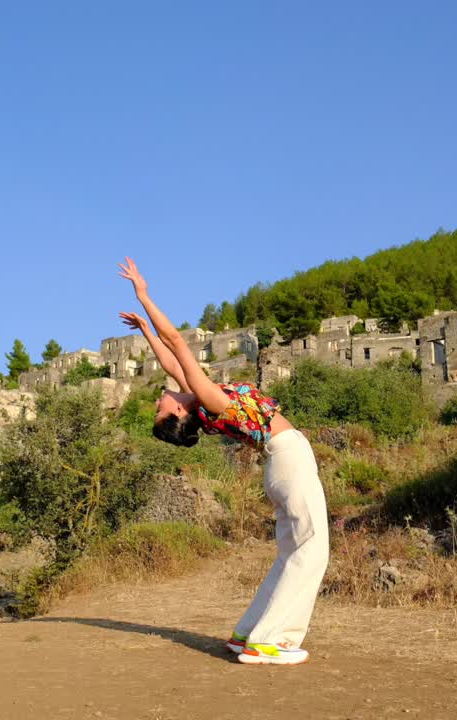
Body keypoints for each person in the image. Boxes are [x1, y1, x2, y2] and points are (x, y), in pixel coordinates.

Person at [117, 257, 329, 666]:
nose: (158, 400)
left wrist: (144, 328)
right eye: (160, 408)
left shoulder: (201, 402)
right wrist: (144, 295)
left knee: (291, 550)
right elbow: (179, 345)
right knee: (312, 548)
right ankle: (270, 641)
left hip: (279, 463)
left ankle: (248, 633)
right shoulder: (212, 402)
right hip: (288, 455)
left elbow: (170, 360)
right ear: (178, 415)